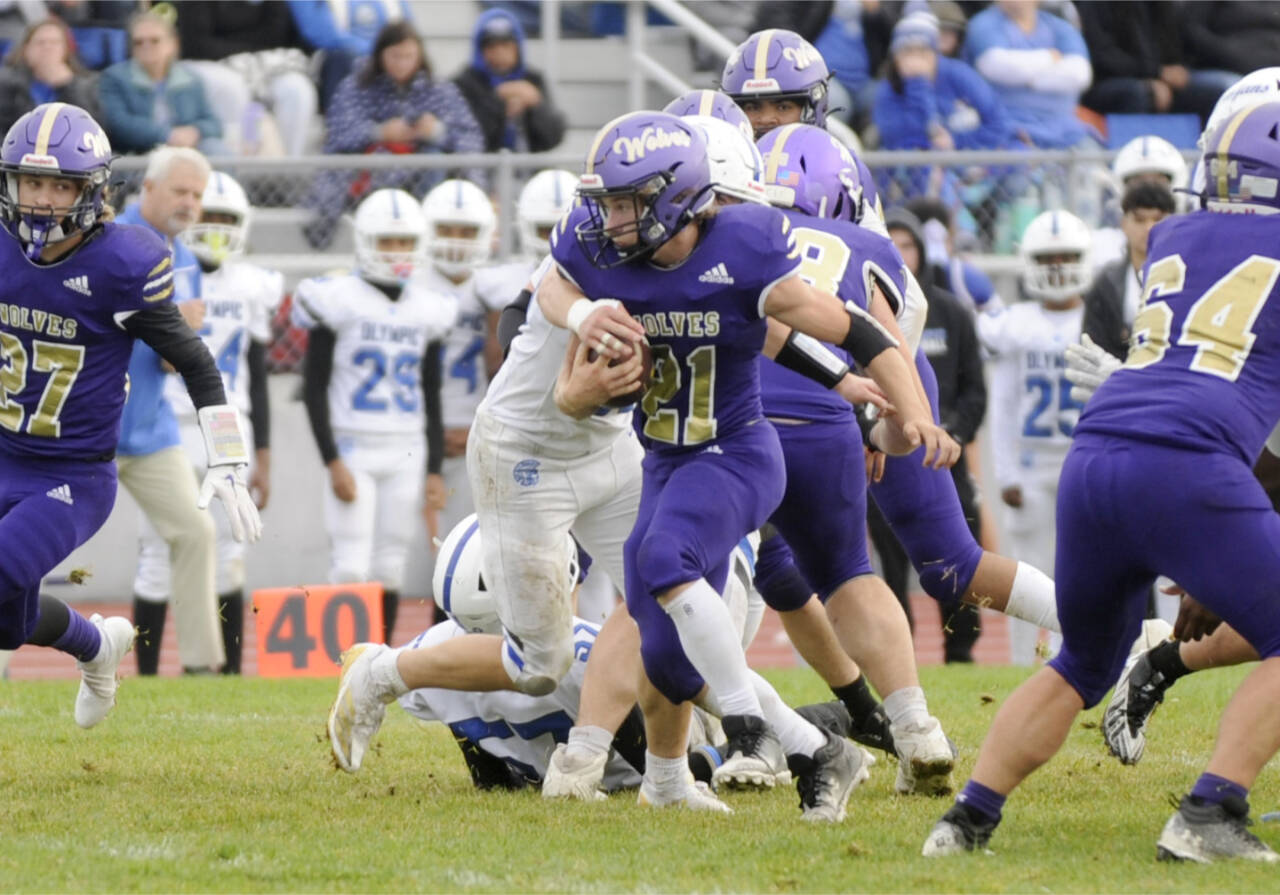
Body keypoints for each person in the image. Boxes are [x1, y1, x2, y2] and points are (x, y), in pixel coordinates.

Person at [542, 110, 958, 820]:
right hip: (668, 457)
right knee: (666, 654)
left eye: (626, 203)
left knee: (664, 556)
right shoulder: (602, 250)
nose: (610, 219)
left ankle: (748, 722)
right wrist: (583, 322)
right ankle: (760, 761)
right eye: (606, 202)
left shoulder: (742, 246)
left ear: (675, 199)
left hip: (737, 451)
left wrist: (910, 405)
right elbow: (552, 282)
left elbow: (857, 328)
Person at [924, 101, 1280, 863]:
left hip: (1098, 451)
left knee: (1081, 659)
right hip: (1190, 463)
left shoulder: (1173, 236)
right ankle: (1211, 811)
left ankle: (965, 821)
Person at [0, 103, 258, 727]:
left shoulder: (121, 263)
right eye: (31, 182)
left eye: (58, 184)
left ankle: (101, 647)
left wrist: (226, 453)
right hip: (4, 449)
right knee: (8, 623)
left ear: (90, 191)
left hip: (73, 474)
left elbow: (197, 364)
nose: (40, 200)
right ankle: (98, 646)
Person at [748, 122, 960, 793]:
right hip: (825, 423)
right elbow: (885, 347)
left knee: (678, 580)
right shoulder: (866, 246)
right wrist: (909, 423)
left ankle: (722, 746)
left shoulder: (729, 230)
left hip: (734, 421)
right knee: (848, 575)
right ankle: (915, 724)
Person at [131, 171, 282, 674]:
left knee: (229, 550)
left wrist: (263, 454)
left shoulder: (252, 284)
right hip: (166, 420)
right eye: (207, 214)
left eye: (225, 217)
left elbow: (258, 376)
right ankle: (149, 673)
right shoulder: (158, 268)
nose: (215, 226)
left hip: (225, 423)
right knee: (157, 552)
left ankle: (224, 673)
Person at [294, 188, 455, 646]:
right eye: (387, 241)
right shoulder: (338, 297)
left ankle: (376, 660)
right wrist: (332, 461)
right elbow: (314, 388)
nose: (397, 252)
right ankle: (340, 657)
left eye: (404, 242)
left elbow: (430, 393)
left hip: (407, 446)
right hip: (352, 446)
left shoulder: (428, 308)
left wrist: (433, 470)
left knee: (390, 563)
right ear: (365, 241)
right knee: (349, 562)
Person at [115, 147, 227, 676]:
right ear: (149, 189)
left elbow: (167, 362)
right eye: (180, 190)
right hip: (84, 426)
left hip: (147, 427)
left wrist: (176, 338)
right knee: (28, 544)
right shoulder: (109, 241)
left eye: (197, 194)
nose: (189, 202)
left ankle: (202, 670)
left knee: (196, 532)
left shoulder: (185, 259)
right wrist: (164, 318)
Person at [979, 209, 1088, 665]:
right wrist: (1004, 472)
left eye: (1066, 256)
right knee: (1026, 570)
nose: (1058, 265)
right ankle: (1025, 660)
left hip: (1083, 462)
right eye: (1047, 257)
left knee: (1079, 568)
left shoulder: (1097, 313)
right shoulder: (1016, 324)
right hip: (1029, 464)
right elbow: (1002, 404)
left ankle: (1070, 658)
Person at [881, 206, 986, 663]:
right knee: (887, 561)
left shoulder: (950, 312)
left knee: (956, 551)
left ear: (922, 251)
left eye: (909, 245)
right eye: (894, 244)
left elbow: (974, 390)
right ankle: (897, 652)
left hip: (945, 454)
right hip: (884, 448)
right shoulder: (861, 309)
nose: (902, 253)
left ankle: (961, 651)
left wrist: (950, 431)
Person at [302, 20, 485, 249]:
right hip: (368, 177)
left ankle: (425, 228)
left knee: (433, 159)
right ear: (380, 55)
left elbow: (470, 138)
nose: (402, 63)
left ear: (419, 55)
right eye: (395, 56)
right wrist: (378, 133)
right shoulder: (356, 87)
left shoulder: (439, 90)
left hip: (423, 177)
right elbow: (338, 133)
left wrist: (437, 132)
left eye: (408, 56)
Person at [415, 179, 502, 555]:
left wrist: (479, 428)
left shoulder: (496, 288)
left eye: (466, 231)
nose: (455, 241)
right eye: (445, 230)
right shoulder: (408, 285)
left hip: (476, 428)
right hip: (412, 430)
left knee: (468, 554)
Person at [174, 0, 319, 158]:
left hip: (264, 62)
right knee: (232, 86)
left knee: (297, 88)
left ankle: (289, 169)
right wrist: (247, 49)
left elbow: (275, 34)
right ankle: (240, 168)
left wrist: (242, 49)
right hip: (210, 64)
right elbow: (198, 44)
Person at [962, 0, 1096, 150]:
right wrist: (1049, 58)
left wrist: (1030, 79)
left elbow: (1079, 74)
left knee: (1098, 165)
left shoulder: (1060, 27)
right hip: (1008, 131)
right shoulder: (984, 24)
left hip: (1066, 130)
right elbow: (997, 66)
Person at [1077, 2, 1237, 126]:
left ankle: (1207, 160)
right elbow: (1102, 58)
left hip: (1159, 80)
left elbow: (1175, 45)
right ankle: (1137, 161)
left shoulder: (1160, 4)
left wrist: (1174, 71)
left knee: (1217, 92)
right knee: (1140, 94)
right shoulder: (1094, 3)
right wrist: (1155, 73)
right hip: (1106, 84)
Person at [98, 10, 228, 156]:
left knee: (216, 149)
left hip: (188, 150)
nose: (146, 46)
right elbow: (118, 125)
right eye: (138, 42)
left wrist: (195, 131)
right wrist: (166, 135)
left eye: (155, 40)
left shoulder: (191, 79)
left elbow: (214, 123)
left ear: (173, 43)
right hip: (139, 153)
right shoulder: (114, 77)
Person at [1082, 180, 1176, 362]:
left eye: (1158, 219)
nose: (1149, 228)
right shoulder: (1105, 285)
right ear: (1124, 224)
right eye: (1140, 220)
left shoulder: (1191, 279)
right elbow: (1093, 348)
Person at [451, 8, 566, 154]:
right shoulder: (464, 84)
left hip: (528, 169)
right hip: (480, 171)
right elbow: (469, 137)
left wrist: (535, 104)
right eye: (491, 46)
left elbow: (553, 138)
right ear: (480, 50)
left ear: (518, 47)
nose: (500, 52)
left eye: (506, 45)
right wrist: (499, 102)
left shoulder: (533, 80)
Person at [0, 18, 101, 137]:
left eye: (55, 42)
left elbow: (93, 131)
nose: (47, 47)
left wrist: (67, 85)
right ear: (26, 49)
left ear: (66, 50)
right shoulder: (5, 82)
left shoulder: (87, 84)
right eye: (40, 42)